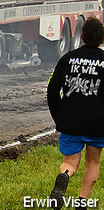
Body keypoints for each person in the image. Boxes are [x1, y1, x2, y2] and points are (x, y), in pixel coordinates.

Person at [47, 16, 104, 209]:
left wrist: (59, 115)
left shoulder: (68, 59)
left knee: (70, 162)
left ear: (81, 36)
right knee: (93, 162)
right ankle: (82, 201)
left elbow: (52, 89)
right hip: (98, 123)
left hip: (71, 121)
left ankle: (64, 176)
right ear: (102, 38)